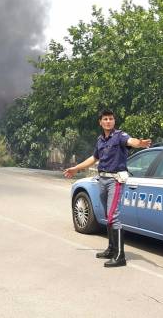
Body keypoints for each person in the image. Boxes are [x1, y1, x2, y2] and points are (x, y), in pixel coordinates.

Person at [63, 109, 152, 267]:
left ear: (114, 121)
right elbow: (94, 158)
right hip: (102, 180)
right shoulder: (100, 140)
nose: (108, 121)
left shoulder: (119, 136)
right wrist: (75, 168)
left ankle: (120, 256)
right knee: (108, 215)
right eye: (105, 119)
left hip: (115, 181)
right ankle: (111, 249)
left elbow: (131, 141)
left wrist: (140, 143)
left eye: (111, 118)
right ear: (100, 122)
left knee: (113, 216)